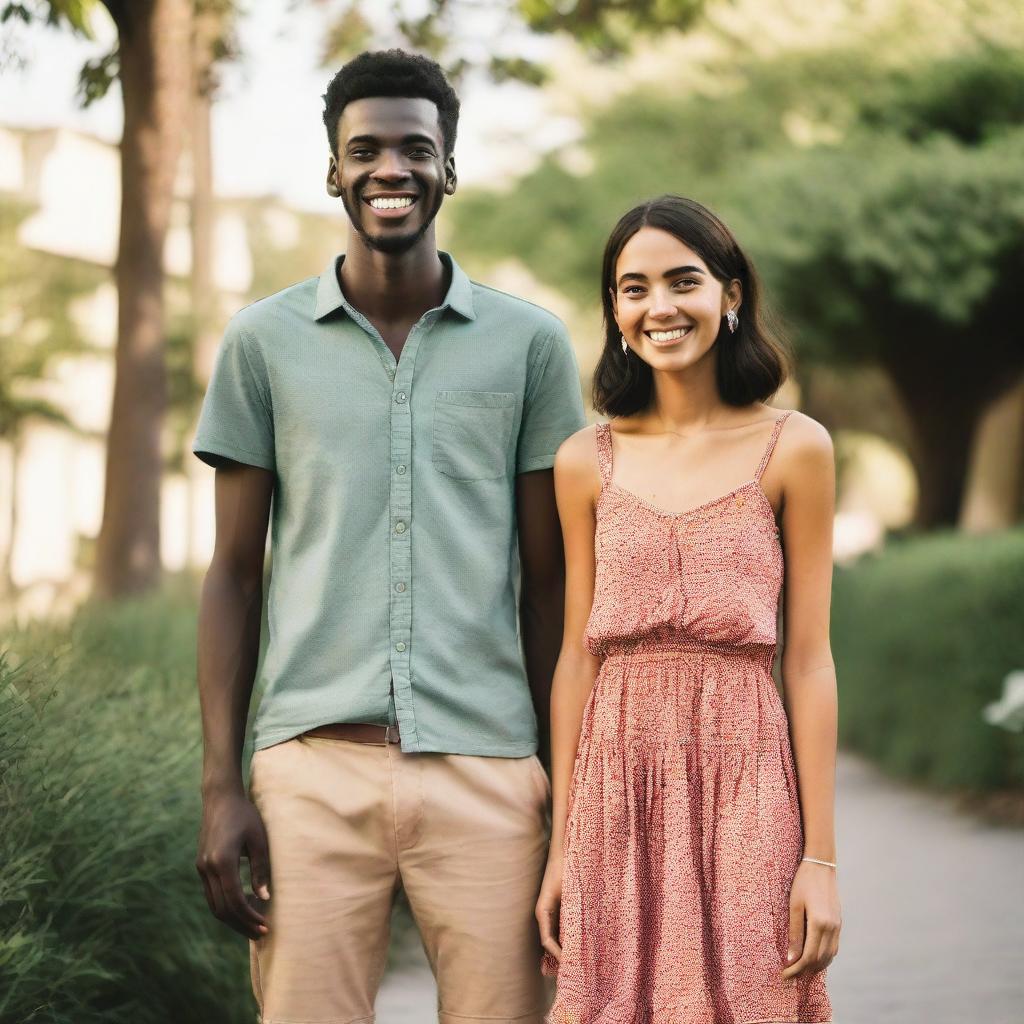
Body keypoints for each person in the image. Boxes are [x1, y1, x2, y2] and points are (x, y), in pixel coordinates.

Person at [192, 49, 585, 1023]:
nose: (389, 169)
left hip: (489, 773)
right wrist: (220, 787)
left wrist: (568, 805)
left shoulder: (529, 347)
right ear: (333, 170)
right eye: (363, 149)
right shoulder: (262, 344)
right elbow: (235, 575)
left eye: (416, 148)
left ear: (448, 167)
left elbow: (551, 588)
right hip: (310, 775)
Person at [537, 195, 840, 1023]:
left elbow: (809, 660)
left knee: (755, 996)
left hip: (745, 774)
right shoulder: (584, 461)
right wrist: (562, 845)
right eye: (633, 289)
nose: (658, 306)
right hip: (616, 782)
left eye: (683, 281)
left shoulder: (796, 446)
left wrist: (822, 858)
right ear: (614, 310)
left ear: (730, 295)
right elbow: (576, 658)